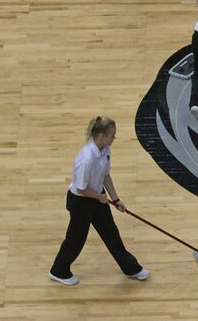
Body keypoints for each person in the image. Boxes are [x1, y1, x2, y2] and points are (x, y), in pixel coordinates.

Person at [49, 117, 149, 285]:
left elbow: (106, 176)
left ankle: (130, 268)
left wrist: (116, 199)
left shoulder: (105, 149)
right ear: (101, 135)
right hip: (81, 201)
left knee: (111, 233)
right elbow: (81, 188)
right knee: (76, 239)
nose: (113, 139)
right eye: (112, 136)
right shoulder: (86, 158)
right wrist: (99, 197)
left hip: (96, 196)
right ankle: (58, 271)